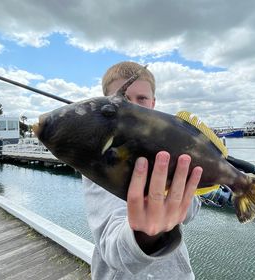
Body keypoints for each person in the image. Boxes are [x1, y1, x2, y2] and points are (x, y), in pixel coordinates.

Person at [83, 61, 203, 279]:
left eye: (142, 99)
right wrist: (143, 237)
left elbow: (190, 212)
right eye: (124, 99)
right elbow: (112, 241)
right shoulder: (97, 159)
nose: (134, 107)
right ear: (106, 103)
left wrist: (182, 192)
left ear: (153, 103)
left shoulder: (168, 147)